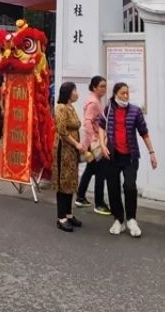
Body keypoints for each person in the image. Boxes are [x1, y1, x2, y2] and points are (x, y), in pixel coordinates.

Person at [102, 82, 157, 237]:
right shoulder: (109, 110)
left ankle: (131, 219)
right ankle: (118, 219)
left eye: (127, 93)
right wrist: (101, 143)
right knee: (113, 187)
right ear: (115, 94)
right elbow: (101, 126)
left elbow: (144, 132)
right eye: (122, 93)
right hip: (113, 155)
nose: (125, 96)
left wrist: (152, 152)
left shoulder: (135, 111)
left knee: (130, 186)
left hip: (130, 156)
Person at [53, 81, 89, 232]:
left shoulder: (71, 107)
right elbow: (62, 131)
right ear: (68, 92)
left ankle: (68, 214)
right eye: (74, 90)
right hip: (64, 148)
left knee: (71, 180)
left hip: (72, 150)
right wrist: (76, 144)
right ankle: (61, 217)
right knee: (63, 181)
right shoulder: (61, 108)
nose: (77, 93)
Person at [76, 76, 109, 215]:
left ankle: (81, 196)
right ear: (94, 87)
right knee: (100, 172)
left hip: (92, 142)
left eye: (105, 86)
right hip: (95, 143)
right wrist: (95, 139)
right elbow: (88, 122)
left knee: (90, 169)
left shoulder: (95, 100)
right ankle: (99, 203)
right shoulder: (94, 103)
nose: (104, 89)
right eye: (101, 86)